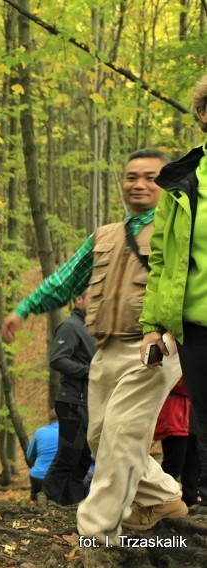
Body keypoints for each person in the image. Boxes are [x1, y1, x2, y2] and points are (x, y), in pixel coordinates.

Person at [2, 149, 187, 540]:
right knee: (101, 438)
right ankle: (164, 494)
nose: (139, 184)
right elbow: (66, 281)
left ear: (168, 184)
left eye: (150, 177)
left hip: (153, 350)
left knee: (122, 438)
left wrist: (172, 335)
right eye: (131, 176)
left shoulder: (180, 233)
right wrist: (24, 309)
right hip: (106, 349)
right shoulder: (105, 235)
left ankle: (97, 531)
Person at [140, 72, 207, 505]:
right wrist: (152, 325)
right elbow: (162, 261)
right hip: (199, 329)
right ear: (203, 114)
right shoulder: (181, 183)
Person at [42, 291, 96, 505]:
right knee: (68, 455)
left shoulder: (91, 329)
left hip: (87, 403)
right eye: (93, 297)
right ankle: (46, 499)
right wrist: (89, 371)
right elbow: (57, 359)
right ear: (79, 300)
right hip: (71, 401)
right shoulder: (70, 326)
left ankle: (71, 504)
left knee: (82, 459)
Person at [154, 378, 199, 506]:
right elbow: (179, 384)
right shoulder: (177, 363)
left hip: (188, 419)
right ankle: (158, 502)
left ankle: (190, 501)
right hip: (174, 418)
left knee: (191, 462)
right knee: (174, 464)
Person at [27, 413, 59, 502]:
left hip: (38, 476)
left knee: (35, 504)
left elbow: (30, 455)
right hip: (60, 478)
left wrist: (40, 466)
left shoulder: (39, 432)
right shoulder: (70, 433)